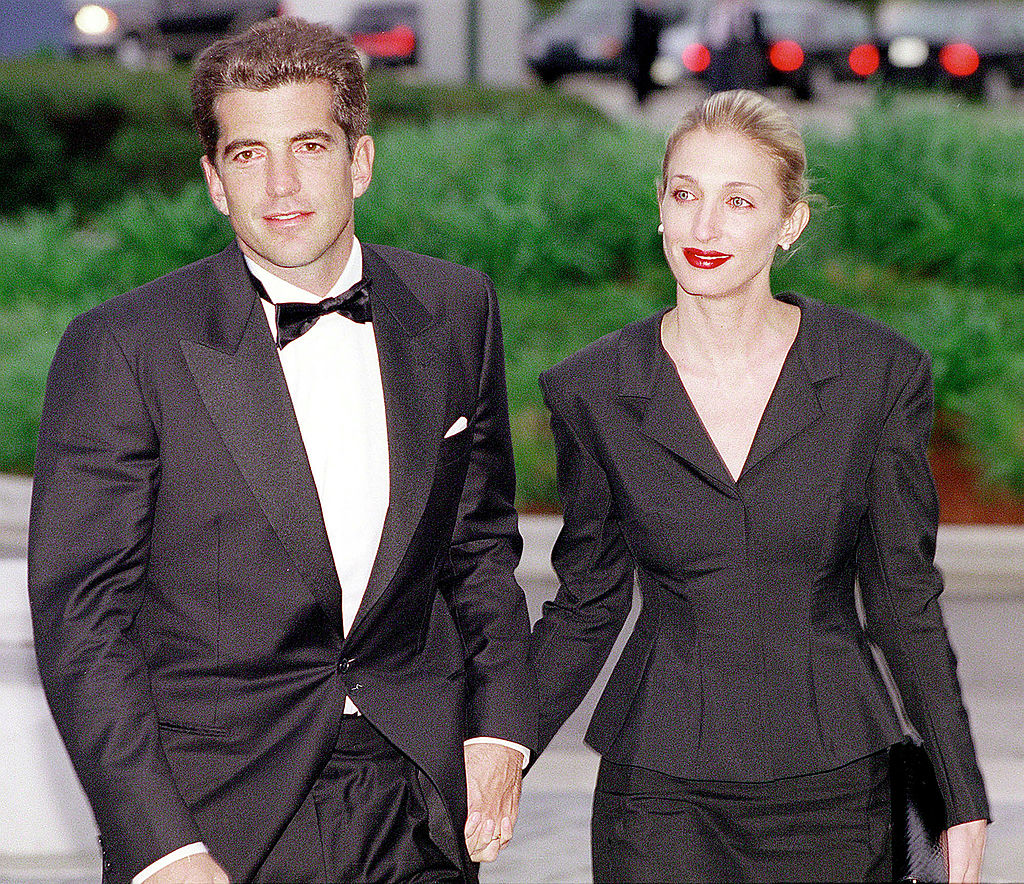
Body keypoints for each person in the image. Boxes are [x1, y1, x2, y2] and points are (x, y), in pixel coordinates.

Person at [28, 17, 536, 884]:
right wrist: (160, 844)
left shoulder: (455, 309)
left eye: (308, 144)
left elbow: (480, 547)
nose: (283, 184)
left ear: (360, 161)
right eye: (247, 155)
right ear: (215, 183)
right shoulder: (123, 348)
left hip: (413, 796)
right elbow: (84, 625)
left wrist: (501, 727)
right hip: (218, 815)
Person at [530, 89, 989, 883]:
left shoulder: (876, 375)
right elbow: (587, 601)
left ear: (790, 222)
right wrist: (494, 751)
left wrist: (961, 795)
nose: (704, 228)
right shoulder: (593, 389)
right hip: (658, 793)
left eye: (739, 201)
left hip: (834, 787)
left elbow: (903, 598)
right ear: (662, 209)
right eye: (685, 195)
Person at [705, 0, 768, 93]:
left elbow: (755, 35)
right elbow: (711, 34)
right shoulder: (715, 11)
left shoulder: (749, 10)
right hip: (720, 51)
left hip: (743, 51)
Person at [622, 0, 664, 104]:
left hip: (650, 51)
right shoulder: (636, 12)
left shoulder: (656, 15)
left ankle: (644, 98)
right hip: (638, 50)